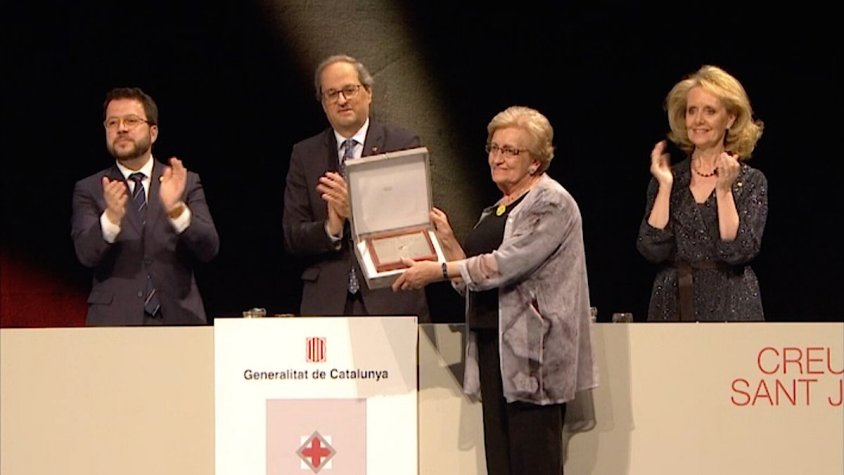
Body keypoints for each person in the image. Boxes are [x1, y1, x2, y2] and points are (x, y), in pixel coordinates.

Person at [392, 106, 597, 474]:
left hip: (534, 355)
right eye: (494, 148)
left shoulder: (551, 202)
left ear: (535, 161)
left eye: (510, 151)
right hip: (493, 348)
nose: (498, 158)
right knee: (500, 463)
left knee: (533, 462)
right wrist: (450, 243)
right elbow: (474, 283)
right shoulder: (498, 209)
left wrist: (437, 269)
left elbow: (503, 265)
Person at [282, 54, 429, 320]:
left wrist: (357, 212)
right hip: (327, 302)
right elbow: (292, 235)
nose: (342, 100)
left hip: (390, 297)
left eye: (350, 90)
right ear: (323, 103)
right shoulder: (305, 154)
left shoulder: (403, 143)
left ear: (368, 92)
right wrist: (331, 229)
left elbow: (415, 223)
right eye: (332, 93)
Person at [71, 87, 219, 326]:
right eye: (112, 123)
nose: (121, 128)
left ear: (153, 132)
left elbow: (209, 248)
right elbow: (86, 255)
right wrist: (110, 220)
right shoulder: (90, 188)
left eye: (131, 120)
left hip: (179, 320)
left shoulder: (185, 182)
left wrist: (177, 210)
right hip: (114, 323)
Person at [636, 65, 767, 322]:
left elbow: (738, 251)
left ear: (730, 118)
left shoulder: (751, 181)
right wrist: (665, 186)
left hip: (731, 303)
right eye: (692, 111)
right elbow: (651, 248)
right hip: (671, 305)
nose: (698, 120)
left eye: (710, 111)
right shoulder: (670, 178)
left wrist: (724, 190)